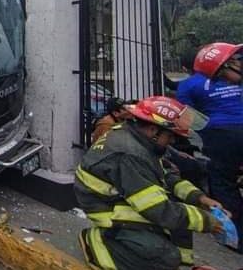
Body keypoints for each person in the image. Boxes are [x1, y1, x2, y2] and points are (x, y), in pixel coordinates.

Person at [75, 96, 226, 270]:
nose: (173, 141)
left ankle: (180, 265)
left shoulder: (138, 140)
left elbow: (165, 175)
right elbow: (157, 210)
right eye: (171, 136)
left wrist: (200, 199)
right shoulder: (130, 154)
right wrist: (208, 221)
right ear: (154, 131)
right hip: (105, 207)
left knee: (181, 220)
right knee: (164, 255)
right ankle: (99, 244)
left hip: (118, 195)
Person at [177, 42, 243, 253]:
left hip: (221, 137)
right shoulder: (194, 85)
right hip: (224, 135)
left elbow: (185, 120)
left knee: (224, 184)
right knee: (224, 182)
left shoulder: (189, 86)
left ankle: (238, 238)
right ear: (220, 67)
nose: (240, 64)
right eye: (234, 61)